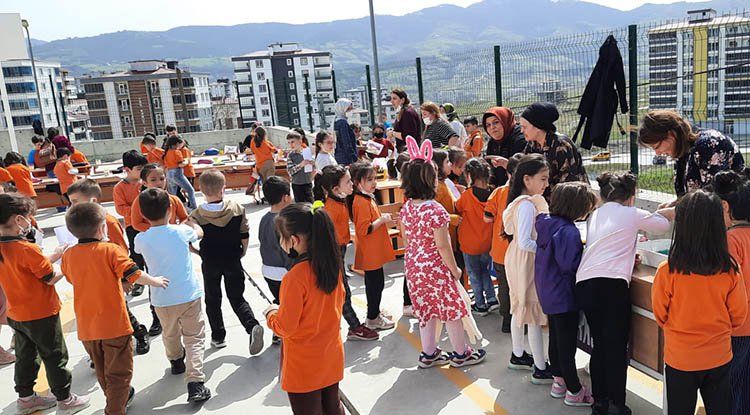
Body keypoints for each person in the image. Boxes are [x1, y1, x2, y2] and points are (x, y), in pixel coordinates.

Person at [576, 172, 674, 414]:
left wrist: (629, 256)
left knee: (600, 345)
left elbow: (610, 243)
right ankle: (617, 404)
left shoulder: (596, 214)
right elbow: (662, 225)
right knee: (617, 347)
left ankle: (599, 402)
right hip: (611, 286)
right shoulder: (631, 213)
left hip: (585, 283)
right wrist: (669, 210)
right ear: (631, 196)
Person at [62, 202, 168, 414]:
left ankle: (117, 398)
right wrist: (155, 281)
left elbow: (71, 278)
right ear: (103, 228)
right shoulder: (111, 250)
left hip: (87, 327)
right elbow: (134, 274)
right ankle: (114, 409)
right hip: (114, 325)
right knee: (119, 373)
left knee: (102, 370)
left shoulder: (68, 255)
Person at [653, 190, 747, 415]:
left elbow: (660, 313)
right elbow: (738, 314)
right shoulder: (730, 269)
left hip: (680, 357)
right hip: (719, 355)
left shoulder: (667, 270)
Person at [399, 138, 487, 369]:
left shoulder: (406, 208)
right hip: (436, 269)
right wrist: (454, 269)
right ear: (431, 180)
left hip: (414, 268)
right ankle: (461, 353)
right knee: (452, 311)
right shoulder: (436, 210)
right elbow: (443, 245)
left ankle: (428, 354)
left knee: (427, 312)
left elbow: (406, 239)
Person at [0, 193, 91, 414]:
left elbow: (25, 269)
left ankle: (26, 398)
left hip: (16, 313)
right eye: (28, 217)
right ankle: (65, 399)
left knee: (26, 356)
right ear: (18, 219)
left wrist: (52, 256)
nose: (30, 222)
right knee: (54, 355)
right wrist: (66, 263)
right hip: (41, 313)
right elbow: (49, 277)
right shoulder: (27, 248)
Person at [263, 203, 346, 415]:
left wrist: (271, 314)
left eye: (281, 237)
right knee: (333, 408)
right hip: (331, 355)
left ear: (294, 240)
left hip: (304, 365)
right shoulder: (331, 267)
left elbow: (286, 327)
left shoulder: (295, 278)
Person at [134, 188, 212, 403]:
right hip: (188, 293)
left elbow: (138, 251)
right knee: (194, 337)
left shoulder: (141, 239)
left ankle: (176, 360)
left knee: (169, 333)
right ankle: (195, 382)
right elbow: (199, 233)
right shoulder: (181, 231)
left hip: (161, 297)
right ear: (170, 209)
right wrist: (192, 222)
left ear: (142, 213)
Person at [67, 179, 151, 355]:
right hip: (94, 275)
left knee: (121, 310)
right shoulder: (82, 221)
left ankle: (139, 332)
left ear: (92, 201)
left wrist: (124, 279)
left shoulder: (108, 222)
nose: (72, 206)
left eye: (75, 201)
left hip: (111, 275)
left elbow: (121, 250)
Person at [535, 183, 597, 407]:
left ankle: (559, 381)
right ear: (576, 207)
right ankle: (574, 390)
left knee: (556, 338)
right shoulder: (569, 232)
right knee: (567, 346)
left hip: (548, 292)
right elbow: (571, 265)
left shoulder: (547, 223)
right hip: (564, 296)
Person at [190, 169, 265, 354]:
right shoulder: (236, 209)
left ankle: (218, 336)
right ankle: (251, 325)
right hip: (232, 258)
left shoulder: (197, 215)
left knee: (213, 299)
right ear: (223, 189)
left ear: (201, 190)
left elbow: (188, 239)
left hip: (210, 261)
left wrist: (197, 252)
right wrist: (243, 252)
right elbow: (244, 234)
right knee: (237, 297)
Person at [502, 154, 554, 384]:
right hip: (526, 260)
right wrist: (547, 250)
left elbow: (514, 236)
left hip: (517, 258)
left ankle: (518, 354)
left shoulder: (520, 203)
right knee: (532, 312)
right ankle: (540, 368)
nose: (546, 184)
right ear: (527, 179)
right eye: (543, 179)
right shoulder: (526, 206)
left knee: (520, 307)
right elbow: (525, 241)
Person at [313, 165, 379, 341]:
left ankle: (353, 326)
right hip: (332, 253)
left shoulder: (339, 201)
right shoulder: (330, 209)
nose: (352, 184)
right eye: (348, 182)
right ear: (335, 189)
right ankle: (355, 327)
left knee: (341, 291)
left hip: (338, 250)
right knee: (342, 292)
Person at [638, 109, 745, 204]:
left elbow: (712, 198)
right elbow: (690, 194)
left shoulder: (708, 145)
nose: (657, 153)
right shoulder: (683, 151)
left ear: (671, 135)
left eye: (657, 146)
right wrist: (674, 203)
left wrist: (674, 211)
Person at [712, 170, 750, 415]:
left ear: (725, 206)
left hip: (735, 327)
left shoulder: (730, 240)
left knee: (729, 388)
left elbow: (723, 286)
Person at [349, 161, 396, 330]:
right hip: (370, 251)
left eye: (375, 178)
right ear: (357, 183)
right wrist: (382, 220)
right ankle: (372, 317)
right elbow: (364, 229)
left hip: (373, 250)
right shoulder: (361, 201)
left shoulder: (366, 197)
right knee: (375, 285)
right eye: (369, 179)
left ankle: (374, 312)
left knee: (375, 283)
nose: (374, 182)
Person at [484, 153, 523, 333]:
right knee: (519, 286)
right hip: (519, 251)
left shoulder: (498, 192)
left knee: (504, 286)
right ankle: (520, 320)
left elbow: (487, 217)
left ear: (508, 173)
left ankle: (507, 319)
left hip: (500, 250)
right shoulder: (526, 195)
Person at [520, 102, 588, 198]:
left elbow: (568, 184)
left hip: (570, 200)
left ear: (538, 127)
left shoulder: (561, 145)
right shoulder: (532, 145)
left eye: (525, 127)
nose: (521, 131)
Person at [456, 158, 496, 316]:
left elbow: (457, 208)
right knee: (485, 270)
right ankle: (492, 299)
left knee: (474, 274)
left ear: (469, 176)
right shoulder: (493, 194)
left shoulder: (467, 196)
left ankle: (480, 304)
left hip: (470, 244)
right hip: (487, 242)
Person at [259, 177, 295, 344]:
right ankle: (281, 330)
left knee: (279, 301)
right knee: (289, 304)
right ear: (285, 197)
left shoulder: (264, 219)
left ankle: (277, 330)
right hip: (283, 270)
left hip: (268, 269)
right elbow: (287, 250)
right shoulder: (284, 221)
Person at [113, 150, 149, 299]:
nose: (143, 171)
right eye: (139, 169)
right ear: (127, 169)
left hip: (150, 224)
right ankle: (139, 281)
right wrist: (138, 211)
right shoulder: (119, 188)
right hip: (132, 226)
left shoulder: (146, 183)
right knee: (136, 255)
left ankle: (154, 278)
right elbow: (120, 208)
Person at [433, 149, 464, 288]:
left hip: (452, 236)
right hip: (445, 238)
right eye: (447, 162)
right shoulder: (438, 187)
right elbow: (433, 211)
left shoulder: (444, 183)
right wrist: (451, 218)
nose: (450, 164)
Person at [131, 164, 189, 233]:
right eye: (153, 180)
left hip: (171, 235)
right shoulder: (140, 201)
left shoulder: (174, 199)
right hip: (152, 237)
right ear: (144, 183)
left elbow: (184, 218)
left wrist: (177, 229)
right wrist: (158, 230)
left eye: (162, 179)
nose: (159, 183)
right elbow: (136, 224)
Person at [482, 107, 527, 187]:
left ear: (505, 121)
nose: (492, 127)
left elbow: (526, 171)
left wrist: (508, 165)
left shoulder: (520, 140)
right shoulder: (492, 143)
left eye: (496, 122)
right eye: (488, 125)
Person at [163, 135, 197, 210]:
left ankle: (173, 210)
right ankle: (194, 208)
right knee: (190, 190)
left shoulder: (167, 152)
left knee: (172, 195)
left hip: (169, 173)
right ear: (177, 144)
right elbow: (180, 164)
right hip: (177, 173)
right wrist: (186, 161)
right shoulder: (177, 152)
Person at [286, 132, 314, 203]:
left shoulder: (307, 152)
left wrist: (313, 164)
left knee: (310, 203)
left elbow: (313, 169)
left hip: (308, 182)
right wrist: (300, 165)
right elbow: (290, 171)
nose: (291, 145)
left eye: (292, 142)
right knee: (300, 204)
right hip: (297, 184)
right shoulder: (291, 155)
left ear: (300, 141)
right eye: (289, 143)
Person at [333, 98, 357, 165]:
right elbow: (346, 142)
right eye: (348, 109)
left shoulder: (336, 121)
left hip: (339, 155)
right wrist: (353, 158)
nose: (350, 111)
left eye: (351, 109)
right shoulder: (343, 123)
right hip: (346, 158)